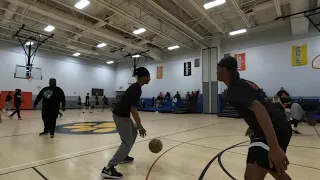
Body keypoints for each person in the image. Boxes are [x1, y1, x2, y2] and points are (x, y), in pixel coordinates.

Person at [217, 56, 292, 180]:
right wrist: (253, 125)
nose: (216, 72)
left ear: (225, 70)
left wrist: (274, 147)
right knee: (256, 173)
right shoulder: (246, 83)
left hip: (274, 130)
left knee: (269, 171)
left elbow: (260, 109)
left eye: (218, 69)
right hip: (267, 129)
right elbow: (265, 104)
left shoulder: (234, 90)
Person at [101, 67, 150, 179]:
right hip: (120, 115)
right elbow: (133, 109)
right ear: (143, 77)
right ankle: (109, 168)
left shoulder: (136, 87)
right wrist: (140, 125)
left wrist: (137, 126)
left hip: (123, 114)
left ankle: (123, 156)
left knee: (133, 134)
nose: (150, 78)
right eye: (148, 76)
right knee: (127, 141)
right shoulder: (136, 88)